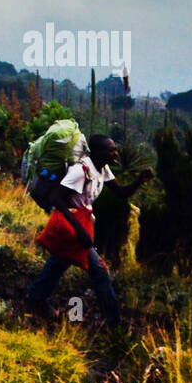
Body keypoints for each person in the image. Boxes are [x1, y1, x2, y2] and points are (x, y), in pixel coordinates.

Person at [25, 134, 151, 327]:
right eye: (111, 150)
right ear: (98, 152)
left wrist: (140, 180)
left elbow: (121, 193)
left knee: (59, 262)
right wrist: (79, 232)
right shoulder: (80, 170)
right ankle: (114, 322)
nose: (115, 153)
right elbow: (57, 198)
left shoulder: (103, 169)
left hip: (80, 224)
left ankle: (34, 298)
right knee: (100, 271)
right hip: (72, 226)